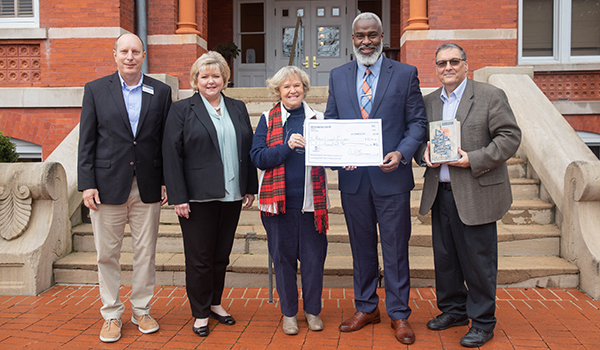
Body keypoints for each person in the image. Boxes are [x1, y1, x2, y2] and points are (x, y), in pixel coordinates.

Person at [324, 12, 427, 345]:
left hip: (392, 177)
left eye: (371, 35)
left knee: (396, 249)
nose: (365, 41)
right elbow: (332, 121)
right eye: (359, 36)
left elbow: (417, 123)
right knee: (361, 249)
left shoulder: (406, 74)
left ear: (382, 36)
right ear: (351, 39)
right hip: (355, 181)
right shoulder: (338, 75)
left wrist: (401, 152)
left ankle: (399, 314)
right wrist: (341, 157)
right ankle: (367, 307)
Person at [415, 43, 521, 348]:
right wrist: (424, 154)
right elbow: (421, 143)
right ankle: (454, 310)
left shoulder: (489, 96)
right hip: (441, 192)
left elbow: (510, 137)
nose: (447, 67)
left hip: (476, 192)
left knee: (478, 261)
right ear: (435, 68)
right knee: (446, 259)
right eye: (441, 63)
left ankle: (483, 322)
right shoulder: (430, 102)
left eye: (453, 61)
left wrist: (473, 159)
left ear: (465, 64)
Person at [78, 33, 172, 343]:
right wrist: (87, 184)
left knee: (146, 253)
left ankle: (142, 310)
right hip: (107, 187)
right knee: (107, 254)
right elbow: (87, 141)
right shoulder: (95, 90)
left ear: (144, 55)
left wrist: (165, 180)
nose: (129, 56)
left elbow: (164, 142)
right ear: (115, 55)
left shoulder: (160, 91)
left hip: (147, 186)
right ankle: (111, 314)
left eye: (135, 51)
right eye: (124, 51)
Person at [162, 51, 258, 337]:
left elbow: (247, 149)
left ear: (225, 79)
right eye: (205, 76)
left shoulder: (237, 107)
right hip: (197, 198)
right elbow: (171, 154)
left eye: (216, 76)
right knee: (200, 258)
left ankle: (215, 303)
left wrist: (249, 186)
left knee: (221, 256)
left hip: (231, 195)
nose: (210, 81)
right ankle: (200, 312)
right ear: (195, 80)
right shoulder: (182, 110)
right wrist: (178, 196)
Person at [250, 66, 329, 335]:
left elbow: (331, 155)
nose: (292, 90)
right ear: (278, 91)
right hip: (277, 206)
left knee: (313, 260)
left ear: (305, 89)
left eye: (297, 85)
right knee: (283, 261)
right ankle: (289, 314)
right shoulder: (267, 119)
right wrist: (286, 146)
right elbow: (258, 157)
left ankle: (312, 311)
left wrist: (345, 162)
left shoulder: (318, 119)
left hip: (311, 205)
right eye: (286, 87)